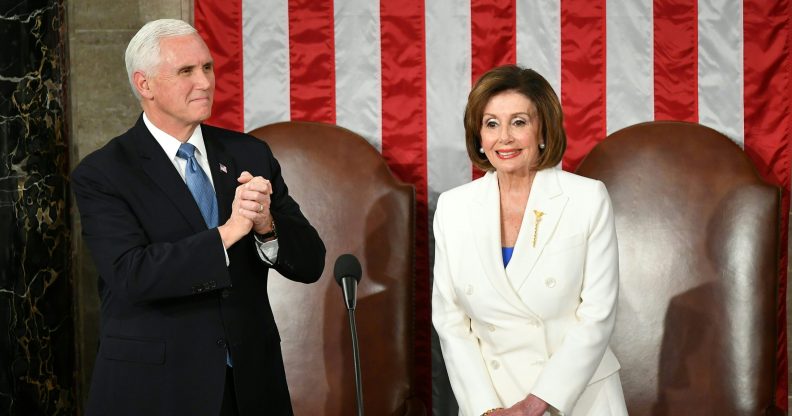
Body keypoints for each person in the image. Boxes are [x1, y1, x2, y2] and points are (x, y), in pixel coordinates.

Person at [71, 19, 325, 416]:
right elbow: (131, 275)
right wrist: (227, 233)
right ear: (145, 84)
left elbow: (311, 263)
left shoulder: (250, 154)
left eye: (207, 67)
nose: (205, 82)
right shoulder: (103, 173)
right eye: (186, 71)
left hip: (251, 387)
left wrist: (265, 226)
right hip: (157, 389)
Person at [432, 65, 627, 416]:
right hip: (490, 403)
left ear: (543, 131)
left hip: (575, 400)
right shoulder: (453, 207)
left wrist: (536, 403)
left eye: (519, 122)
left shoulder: (586, 198)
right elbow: (450, 321)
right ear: (478, 135)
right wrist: (484, 407)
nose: (504, 137)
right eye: (491, 123)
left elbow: (597, 314)